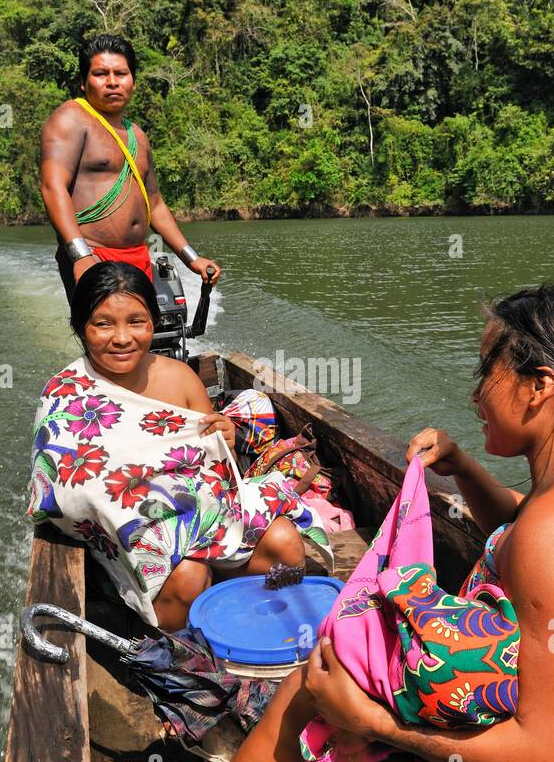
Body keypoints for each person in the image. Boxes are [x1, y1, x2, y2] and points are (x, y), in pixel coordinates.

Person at [111, 280, 554, 762]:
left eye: (488, 368)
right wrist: (463, 469)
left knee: (336, 732)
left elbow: (547, 752)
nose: (475, 393)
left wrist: (374, 725)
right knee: (328, 679)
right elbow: (519, 529)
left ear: (540, 387)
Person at [27, 262, 331, 630]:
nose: (122, 338)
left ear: (153, 323)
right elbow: (68, 495)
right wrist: (166, 525)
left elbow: (220, 472)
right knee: (188, 573)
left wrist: (227, 440)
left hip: (209, 518)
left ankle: (260, 630)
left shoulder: (181, 378)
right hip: (130, 544)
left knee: (284, 543)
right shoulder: (66, 393)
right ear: (80, 328)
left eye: (136, 322)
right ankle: (178, 649)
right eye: (103, 324)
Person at [39, 33, 221, 304]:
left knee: (147, 336)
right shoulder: (71, 118)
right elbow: (53, 187)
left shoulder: (137, 135)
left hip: (138, 257)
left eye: (121, 73)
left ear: (132, 81)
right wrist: (80, 256)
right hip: (94, 256)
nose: (112, 82)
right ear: (83, 81)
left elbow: (155, 205)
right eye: (101, 73)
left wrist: (191, 259)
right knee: (113, 340)